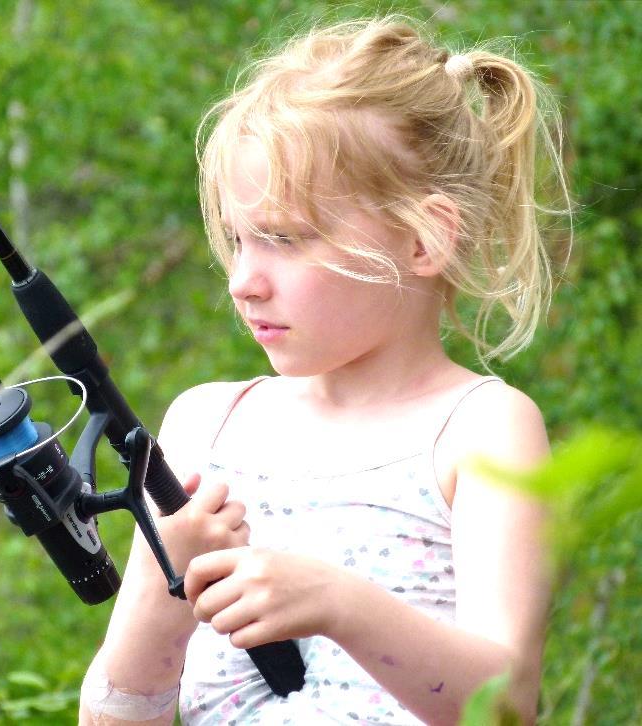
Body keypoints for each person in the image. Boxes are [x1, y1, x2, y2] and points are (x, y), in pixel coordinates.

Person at [79, 14, 569, 726]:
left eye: (282, 239)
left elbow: (506, 704)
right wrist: (165, 582)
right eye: (238, 239)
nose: (243, 280)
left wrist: (340, 604)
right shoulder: (204, 427)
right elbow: (115, 718)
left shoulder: (484, 430)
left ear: (426, 238)